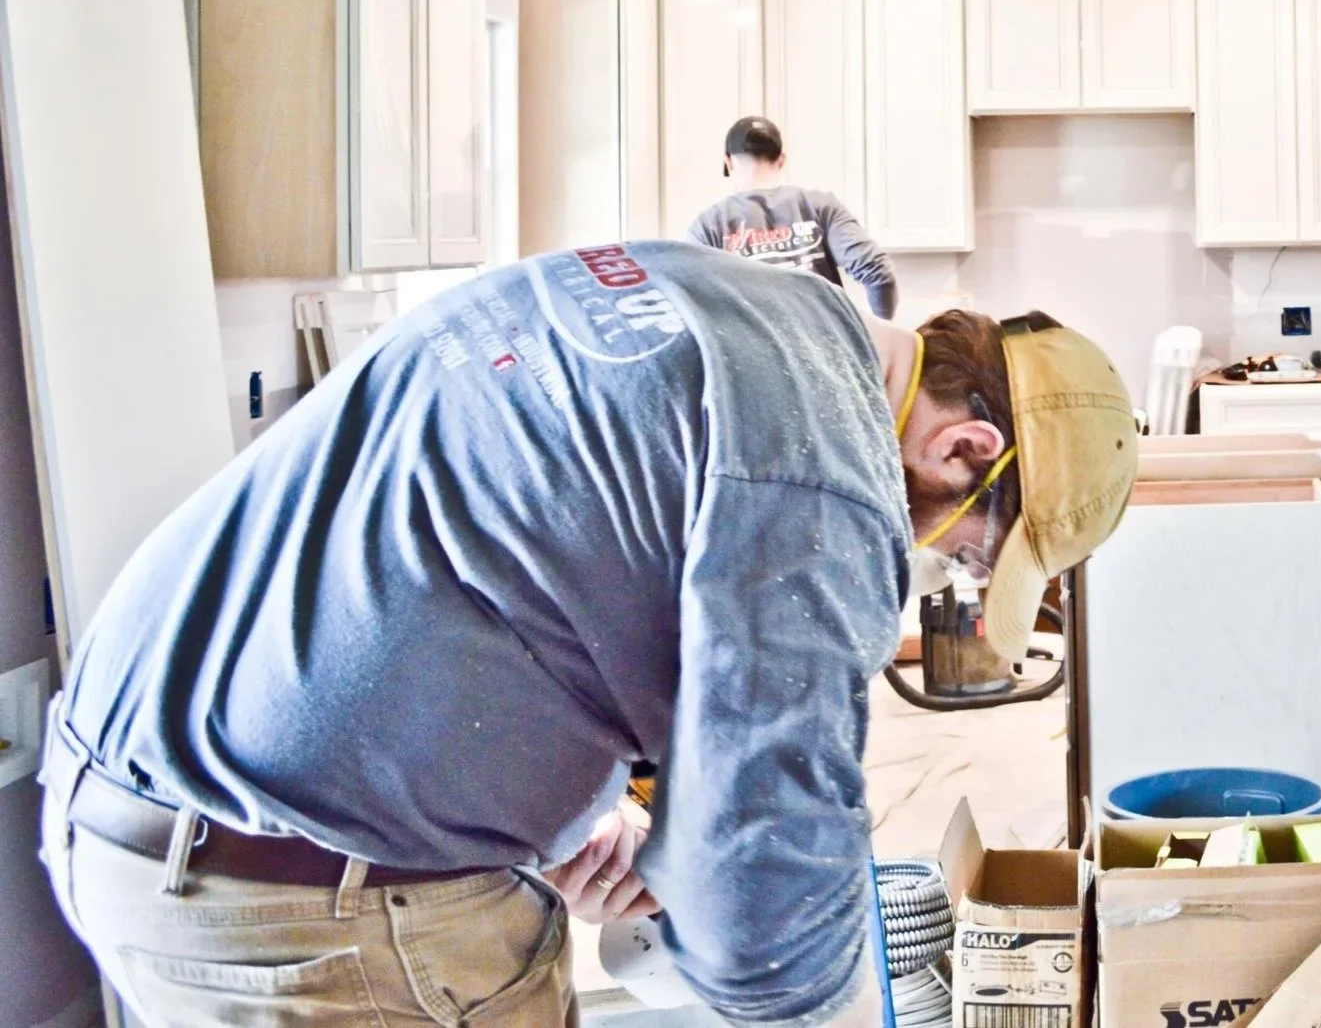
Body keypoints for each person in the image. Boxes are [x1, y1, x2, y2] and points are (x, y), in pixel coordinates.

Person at [40, 241, 1136, 1028]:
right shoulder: (829, 472)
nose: (933, 562)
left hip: (136, 827)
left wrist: (572, 814)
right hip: (319, 924)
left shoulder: (708, 294)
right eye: (964, 549)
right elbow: (772, 927)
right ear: (962, 449)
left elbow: (529, 562)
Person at [689, 115, 899, 317]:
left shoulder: (709, 226)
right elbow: (878, 272)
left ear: (729, 162)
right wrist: (881, 336)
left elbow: (690, 299)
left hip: (750, 352)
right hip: (826, 349)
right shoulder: (821, 206)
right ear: (781, 160)